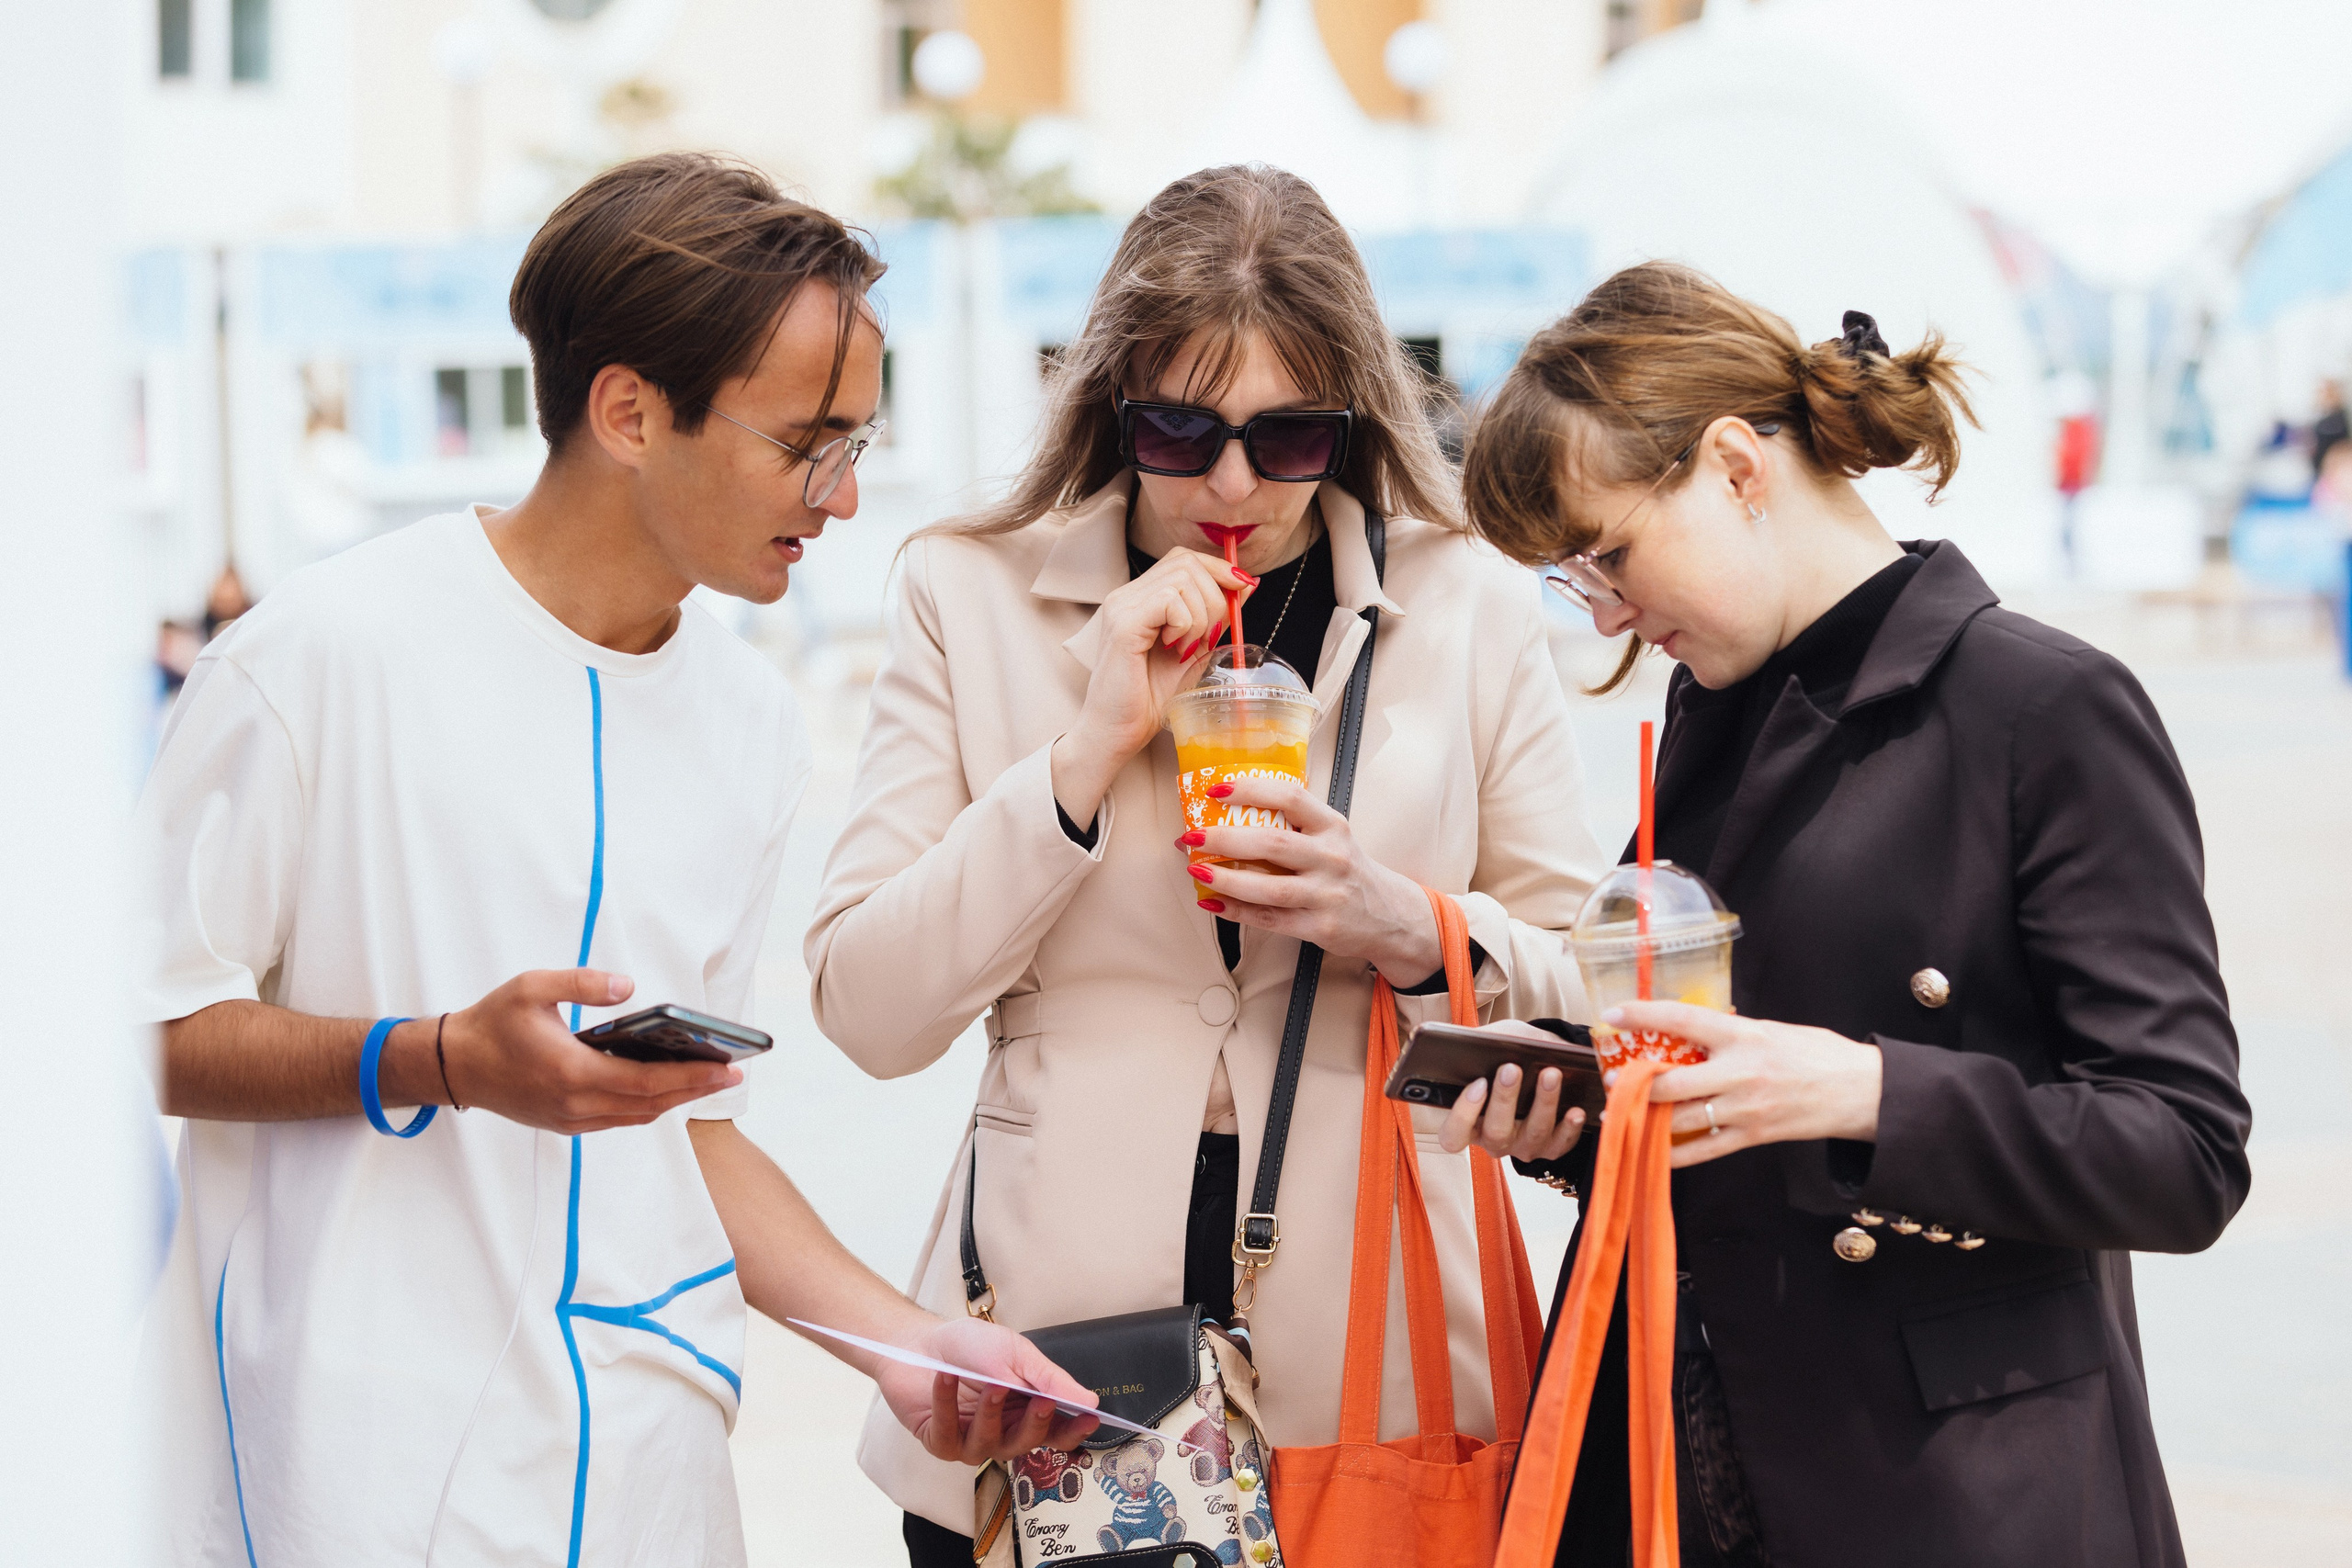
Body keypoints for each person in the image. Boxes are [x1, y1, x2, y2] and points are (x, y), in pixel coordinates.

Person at [136, 152, 1094, 1568]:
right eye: (805, 444)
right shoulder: (321, 656)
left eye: (858, 447)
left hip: (650, 1481)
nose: (838, 498)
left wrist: (905, 1343)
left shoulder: (752, 725)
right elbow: (140, 1029)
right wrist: (442, 1057)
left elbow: (695, 1133)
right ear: (631, 412)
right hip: (348, 1486)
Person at [805, 164, 1606, 1564]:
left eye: (1290, 437)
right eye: (1180, 430)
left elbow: (1587, 990)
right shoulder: (968, 590)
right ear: (1111, 403)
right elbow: (868, 1011)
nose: (1232, 483)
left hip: (1383, 1360)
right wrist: (1080, 758)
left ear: (1352, 422)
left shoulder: (1465, 601)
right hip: (1056, 1364)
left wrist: (1404, 924)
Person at [1445, 262, 2251, 1568]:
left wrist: (1870, 1091)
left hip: (1953, 1491)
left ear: (1735, 468)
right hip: (1678, 1469)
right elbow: (1729, 1142)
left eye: (1608, 555)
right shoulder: (1712, 716)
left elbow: (2186, 1151)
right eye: (1572, 579)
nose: (1608, 613)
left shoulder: (2039, 710)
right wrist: (1573, 1122)